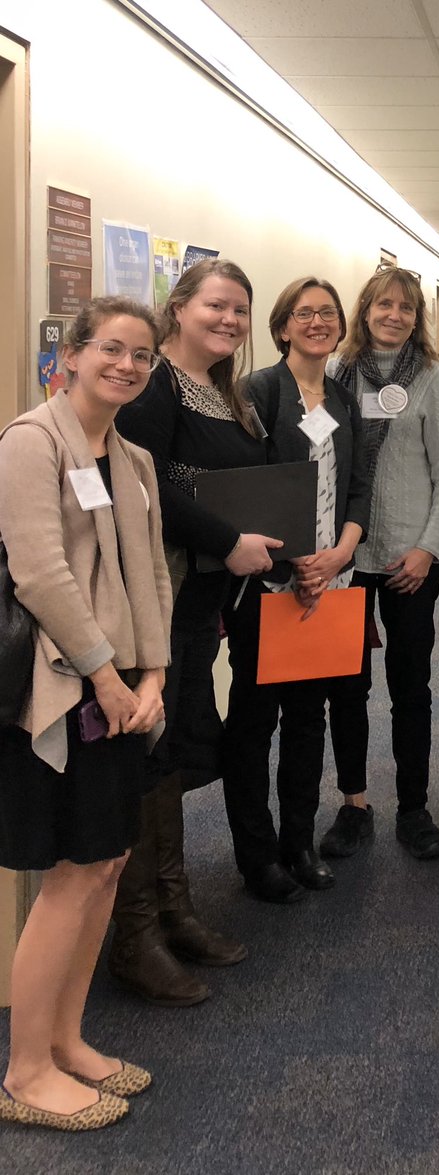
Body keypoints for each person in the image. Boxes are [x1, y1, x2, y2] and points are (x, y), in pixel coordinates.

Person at [0, 297, 173, 1130]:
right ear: (71, 354)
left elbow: (155, 579)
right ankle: (26, 1069)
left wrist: (157, 674)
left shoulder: (132, 457)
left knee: (107, 862)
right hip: (64, 691)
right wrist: (108, 678)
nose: (127, 366)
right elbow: (40, 574)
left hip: (128, 695)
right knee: (69, 875)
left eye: (142, 356)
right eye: (112, 349)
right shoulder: (31, 442)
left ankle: (67, 1040)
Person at [114, 259, 278, 1006]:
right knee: (149, 753)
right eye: (217, 305)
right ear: (178, 307)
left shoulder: (225, 392)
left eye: (240, 310)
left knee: (174, 744)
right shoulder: (153, 386)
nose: (230, 320)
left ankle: (175, 910)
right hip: (156, 595)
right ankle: (136, 933)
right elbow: (146, 486)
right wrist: (229, 537)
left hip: (201, 598)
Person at [221, 278, 369, 901]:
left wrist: (340, 552)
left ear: (339, 328)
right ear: (282, 327)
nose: (317, 322)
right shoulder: (257, 392)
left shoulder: (341, 396)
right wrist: (296, 561)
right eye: (304, 314)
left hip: (328, 582)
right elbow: (246, 490)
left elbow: (358, 485)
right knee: (255, 725)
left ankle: (299, 844)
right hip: (269, 586)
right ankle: (258, 860)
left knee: (310, 721)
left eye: (327, 314)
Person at [319, 266, 439, 861]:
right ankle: (354, 804)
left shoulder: (431, 378)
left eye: (405, 307)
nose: (394, 315)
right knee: (346, 687)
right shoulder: (333, 372)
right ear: (364, 309)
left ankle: (414, 807)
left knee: (411, 685)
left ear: (417, 317)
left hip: (409, 556)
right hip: (345, 558)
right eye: (383, 305)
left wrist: (429, 549)